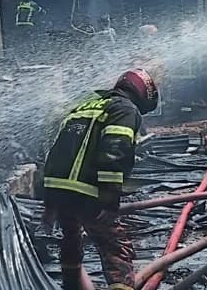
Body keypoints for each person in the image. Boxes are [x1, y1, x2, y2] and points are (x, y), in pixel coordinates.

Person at [43, 69, 159, 290]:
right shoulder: (125, 109)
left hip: (59, 191)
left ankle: (71, 286)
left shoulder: (82, 107)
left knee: (71, 240)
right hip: (88, 192)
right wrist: (109, 201)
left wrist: (49, 202)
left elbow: (55, 152)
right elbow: (114, 153)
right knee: (115, 248)